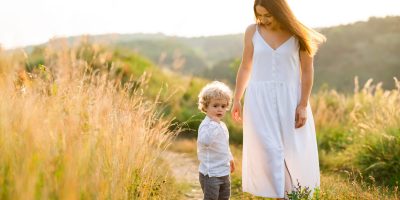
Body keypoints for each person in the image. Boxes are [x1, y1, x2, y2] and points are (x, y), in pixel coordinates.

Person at [230, 0, 326, 198]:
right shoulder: (252, 31)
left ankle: (295, 193)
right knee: (267, 148)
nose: (263, 20)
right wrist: (237, 98)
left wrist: (303, 105)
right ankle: (278, 195)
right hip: (258, 98)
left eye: (268, 15)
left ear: (280, 12)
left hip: (290, 99)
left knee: (292, 150)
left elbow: (307, 72)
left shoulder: (298, 34)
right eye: (259, 15)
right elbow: (246, 66)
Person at [197, 81, 235, 200]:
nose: (220, 109)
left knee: (224, 197)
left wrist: (230, 158)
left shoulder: (221, 125)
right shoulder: (206, 125)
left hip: (224, 172)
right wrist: (214, 124)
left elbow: (224, 145)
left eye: (223, 106)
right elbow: (206, 141)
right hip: (211, 174)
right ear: (205, 106)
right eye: (215, 106)